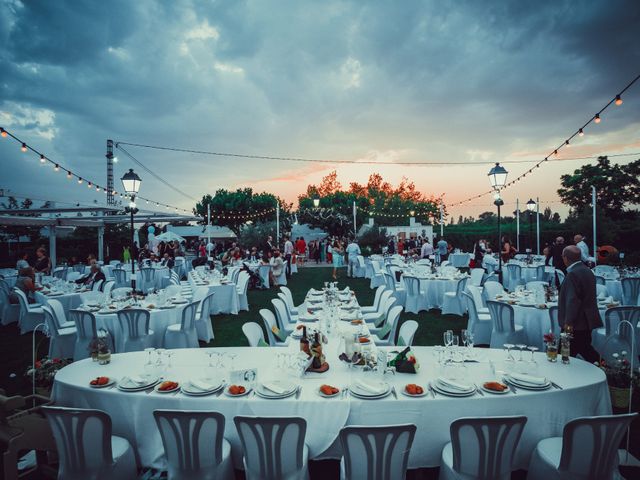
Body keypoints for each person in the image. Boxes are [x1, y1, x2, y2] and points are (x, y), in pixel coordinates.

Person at [557, 245, 602, 363]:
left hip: (576, 322)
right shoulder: (588, 271)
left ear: (565, 258)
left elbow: (573, 300)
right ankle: (603, 367)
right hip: (587, 320)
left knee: (564, 354)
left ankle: (605, 368)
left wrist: (568, 323)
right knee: (583, 348)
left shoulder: (572, 274)